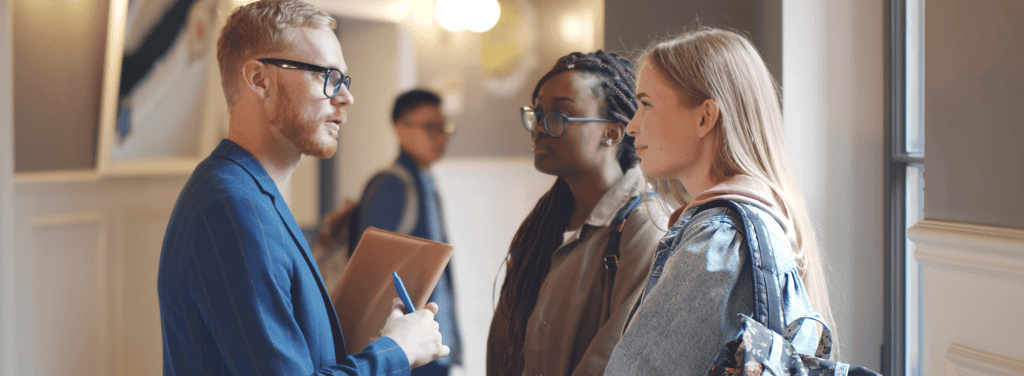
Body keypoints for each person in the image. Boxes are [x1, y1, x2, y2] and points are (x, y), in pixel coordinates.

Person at [157, 1, 448, 374]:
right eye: (327, 75)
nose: (346, 97)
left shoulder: (251, 193)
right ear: (259, 79)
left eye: (344, 80)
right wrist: (398, 350)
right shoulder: (232, 206)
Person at [602, 28, 837, 375]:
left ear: (705, 117)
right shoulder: (757, 219)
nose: (633, 125)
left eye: (646, 104)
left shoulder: (719, 238)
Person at [486, 50, 670, 376]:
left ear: (612, 133)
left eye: (560, 114)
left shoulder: (645, 224)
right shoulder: (546, 222)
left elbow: (617, 361)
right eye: (538, 112)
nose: (539, 127)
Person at [347, 89, 463, 376]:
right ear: (402, 130)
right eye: (431, 127)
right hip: (408, 354)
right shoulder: (392, 185)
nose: (442, 135)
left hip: (428, 347)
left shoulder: (426, 184)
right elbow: (374, 277)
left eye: (444, 127)